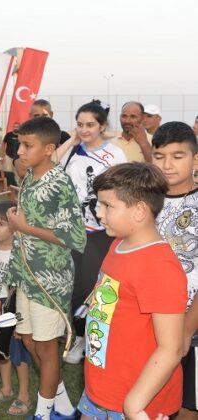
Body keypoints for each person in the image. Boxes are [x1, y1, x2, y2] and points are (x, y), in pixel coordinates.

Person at [78, 162, 186, 419]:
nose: (99, 213)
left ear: (139, 211)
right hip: (101, 388)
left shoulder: (160, 267)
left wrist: (134, 406)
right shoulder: (118, 243)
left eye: (108, 206)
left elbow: (171, 348)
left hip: (134, 400)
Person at [5, 117, 86, 420]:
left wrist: (23, 227)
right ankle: (63, 405)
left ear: (49, 148)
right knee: (28, 340)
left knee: (46, 347)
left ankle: (43, 413)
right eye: (20, 144)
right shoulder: (28, 177)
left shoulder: (59, 182)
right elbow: (25, 225)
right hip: (27, 276)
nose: (21, 151)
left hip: (50, 279)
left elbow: (74, 237)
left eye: (28, 145)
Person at [59, 101, 127, 365]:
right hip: (73, 229)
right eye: (80, 124)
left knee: (95, 286)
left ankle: (93, 337)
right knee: (75, 287)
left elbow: (123, 191)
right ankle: (77, 337)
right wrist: (72, 140)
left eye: (90, 125)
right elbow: (50, 164)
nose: (84, 129)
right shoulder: (72, 151)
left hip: (103, 230)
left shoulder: (115, 154)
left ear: (102, 126)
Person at [152, 122, 198, 419]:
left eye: (177, 156)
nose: (167, 165)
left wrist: (187, 329)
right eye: (159, 156)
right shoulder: (143, 201)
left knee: (186, 404)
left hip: (189, 325)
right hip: (149, 320)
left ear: (195, 159)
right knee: (153, 401)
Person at [0, 201, 32, 416]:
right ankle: (6, 388)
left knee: (17, 353)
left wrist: (21, 322)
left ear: (15, 226)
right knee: (0, 349)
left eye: (1, 224)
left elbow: (23, 287)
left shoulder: (19, 251)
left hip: (11, 307)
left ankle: (24, 396)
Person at [2, 122, 20, 186]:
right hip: (9, 156)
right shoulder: (8, 135)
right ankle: (9, 185)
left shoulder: (21, 135)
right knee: (9, 171)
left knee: (17, 172)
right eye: (15, 126)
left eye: (17, 126)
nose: (16, 128)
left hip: (17, 157)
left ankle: (16, 185)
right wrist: (4, 153)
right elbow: (3, 143)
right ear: (13, 127)